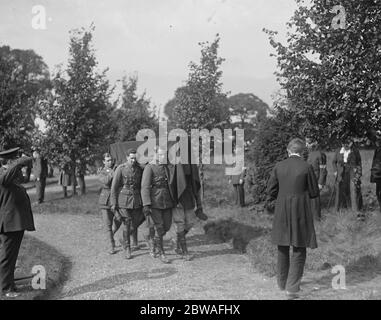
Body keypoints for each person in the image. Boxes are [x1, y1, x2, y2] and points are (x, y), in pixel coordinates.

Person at [265, 138, 319, 299]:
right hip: (300, 209)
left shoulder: (279, 166)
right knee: (299, 247)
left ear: (288, 151)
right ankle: (292, 288)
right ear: (303, 152)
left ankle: (282, 283)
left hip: (282, 209)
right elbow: (314, 192)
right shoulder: (306, 167)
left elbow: (271, 190)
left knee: (282, 245)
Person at [0, 147, 35, 298]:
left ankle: (9, 283)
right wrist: (24, 159)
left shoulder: (10, 175)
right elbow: (14, 171)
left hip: (14, 223)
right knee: (7, 257)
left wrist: (28, 165)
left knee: (11, 256)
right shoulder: (3, 175)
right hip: (9, 223)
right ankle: (6, 289)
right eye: (14, 160)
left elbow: (24, 179)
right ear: (8, 162)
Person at [141, 146, 175, 264]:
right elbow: (144, 187)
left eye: (164, 155)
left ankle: (152, 241)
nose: (162, 157)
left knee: (166, 226)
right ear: (155, 155)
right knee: (159, 227)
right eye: (160, 155)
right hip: (155, 201)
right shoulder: (149, 168)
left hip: (167, 200)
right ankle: (162, 253)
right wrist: (146, 204)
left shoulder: (167, 167)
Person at [110, 149, 145, 260]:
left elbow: (141, 185)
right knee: (127, 223)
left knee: (136, 222)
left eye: (135, 158)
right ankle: (128, 249)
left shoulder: (139, 169)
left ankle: (124, 239)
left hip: (136, 199)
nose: (133, 160)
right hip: (123, 200)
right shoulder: (121, 169)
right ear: (127, 157)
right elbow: (114, 187)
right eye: (131, 158)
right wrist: (113, 203)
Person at [171, 163, 205, 261]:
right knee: (180, 223)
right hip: (177, 198)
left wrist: (199, 204)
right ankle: (184, 252)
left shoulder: (192, 165)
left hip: (189, 197)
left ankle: (177, 239)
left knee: (191, 221)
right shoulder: (173, 164)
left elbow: (196, 184)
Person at [332, 138, 363, 219]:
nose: (346, 145)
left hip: (352, 172)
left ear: (351, 143)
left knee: (353, 190)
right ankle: (337, 209)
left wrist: (358, 173)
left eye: (348, 143)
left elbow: (359, 162)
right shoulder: (338, 151)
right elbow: (333, 162)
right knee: (339, 190)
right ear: (342, 143)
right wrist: (335, 171)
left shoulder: (355, 151)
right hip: (341, 173)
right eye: (344, 143)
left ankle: (355, 210)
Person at [304, 137, 327, 220]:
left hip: (316, 180)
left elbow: (323, 170)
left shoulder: (320, 154)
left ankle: (316, 218)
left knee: (315, 200)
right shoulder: (307, 154)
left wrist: (320, 183)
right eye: (306, 142)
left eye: (309, 143)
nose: (306, 145)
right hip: (308, 180)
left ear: (315, 143)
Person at [98, 153, 117, 255]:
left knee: (120, 219)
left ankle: (113, 235)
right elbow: (105, 181)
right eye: (107, 160)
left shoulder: (116, 169)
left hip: (116, 199)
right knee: (108, 224)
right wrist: (112, 172)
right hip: (105, 200)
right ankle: (111, 245)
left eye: (111, 160)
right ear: (104, 162)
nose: (110, 162)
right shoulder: (101, 172)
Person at [370, 131, 381, 213]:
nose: (376, 142)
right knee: (378, 192)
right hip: (377, 174)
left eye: (378, 141)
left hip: (379, 173)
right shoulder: (377, 150)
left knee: (379, 192)